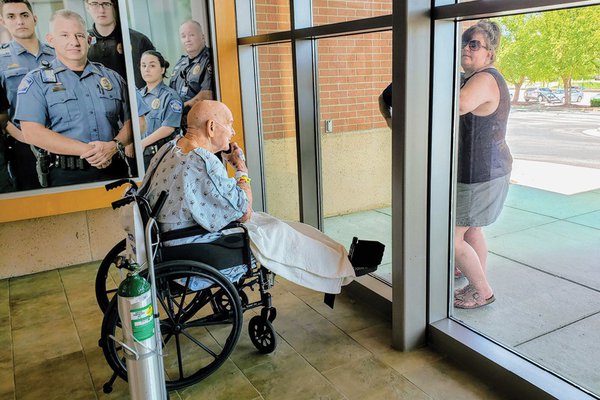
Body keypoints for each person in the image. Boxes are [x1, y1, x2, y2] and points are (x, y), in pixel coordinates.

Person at [140, 100, 369, 294]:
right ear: (211, 127)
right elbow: (244, 211)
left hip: (168, 239)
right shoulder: (202, 161)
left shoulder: (169, 148)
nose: (233, 132)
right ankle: (341, 267)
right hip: (194, 244)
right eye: (229, 124)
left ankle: (340, 259)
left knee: (284, 227)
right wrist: (241, 167)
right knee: (280, 235)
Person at [14, 9, 132, 187]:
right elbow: (32, 132)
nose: (74, 42)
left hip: (115, 169)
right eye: (65, 35)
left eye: (79, 35)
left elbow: (137, 121)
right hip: (67, 176)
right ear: (51, 40)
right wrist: (90, 151)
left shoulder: (113, 78)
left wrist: (114, 146)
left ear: (89, 40)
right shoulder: (35, 81)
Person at [454, 20, 512, 309]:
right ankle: (474, 279)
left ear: (489, 53)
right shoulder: (472, 76)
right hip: (482, 171)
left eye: (474, 44)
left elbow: (460, 104)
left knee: (450, 237)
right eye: (465, 41)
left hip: (482, 174)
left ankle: (482, 291)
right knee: (472, 229)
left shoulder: (485, 78)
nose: (466, 47)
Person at [0, 0, 55, 191]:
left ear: (35, 18)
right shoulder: (1, 60)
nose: (19, 21)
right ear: (3, 22)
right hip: (22, 145)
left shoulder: (57, 55)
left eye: (24, 15)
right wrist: (30, 138)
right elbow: (2, 114)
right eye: (11, 16)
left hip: (63, 141)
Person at [85, 0, 154, 88]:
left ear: (115, 6)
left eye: (106, 4)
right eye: (95, 4)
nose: (101, 10)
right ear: (87, 6)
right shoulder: (81, 43)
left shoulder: (138, 41)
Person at [133, 50, 183, 168]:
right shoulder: (137, 95)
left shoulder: (170, 96)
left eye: (152, 65)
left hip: (163, 156)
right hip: (141, 156)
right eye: (143, 65)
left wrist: (141, 144)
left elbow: (168, 128)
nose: (147, 69)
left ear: (162, 69)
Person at [169, 20, 214, 125]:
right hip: (178, 123)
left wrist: (176, 109)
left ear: (202, 37)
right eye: (183, 36)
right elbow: (170, 92)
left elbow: (207, 95)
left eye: (191, 35)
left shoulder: (210, 59)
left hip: (200, 123)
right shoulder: (180, 63)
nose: (187, 40)